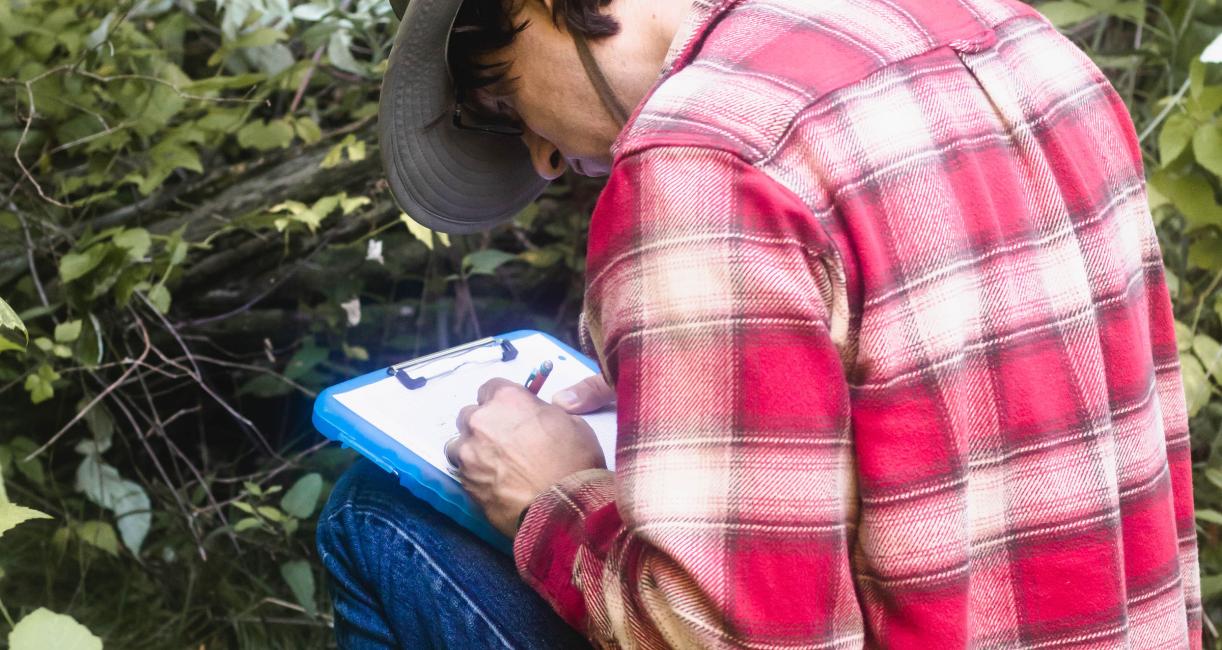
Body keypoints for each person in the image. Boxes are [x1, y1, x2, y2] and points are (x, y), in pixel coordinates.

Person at [317, 0, 1204, 645]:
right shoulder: (1012, 35)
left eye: (498, 104)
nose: (545, 160)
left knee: (372, 514)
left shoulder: (700, 160)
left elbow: (737, 637)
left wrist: (551, 495)